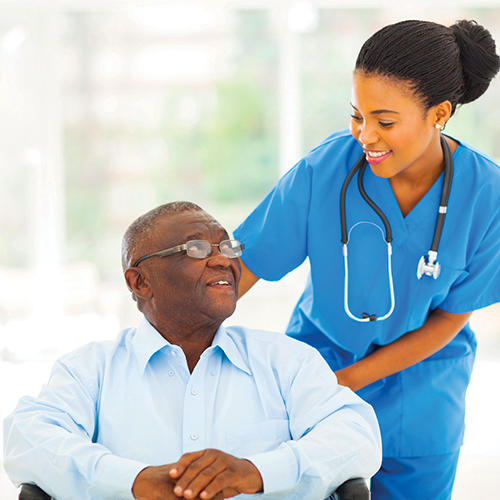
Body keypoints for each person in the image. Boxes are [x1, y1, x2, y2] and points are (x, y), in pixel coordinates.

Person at [233, 19, 500, 500]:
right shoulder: (326, 170)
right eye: (357, 115)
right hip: (316, 381)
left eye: (385, 121)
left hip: (420, 400)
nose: (365, 135)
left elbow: (451, 319)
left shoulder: (486, 196)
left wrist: (348, 381)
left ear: (439, 113)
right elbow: (241, 270)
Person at [3, 202, 381, 500]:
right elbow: (29, 439)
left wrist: (256, 472)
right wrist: (135, 482)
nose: (223, 259)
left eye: (227, 246)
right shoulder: (90, 369)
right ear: (140, 281)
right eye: (197, 248)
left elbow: (355, 436)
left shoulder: (285, 361)